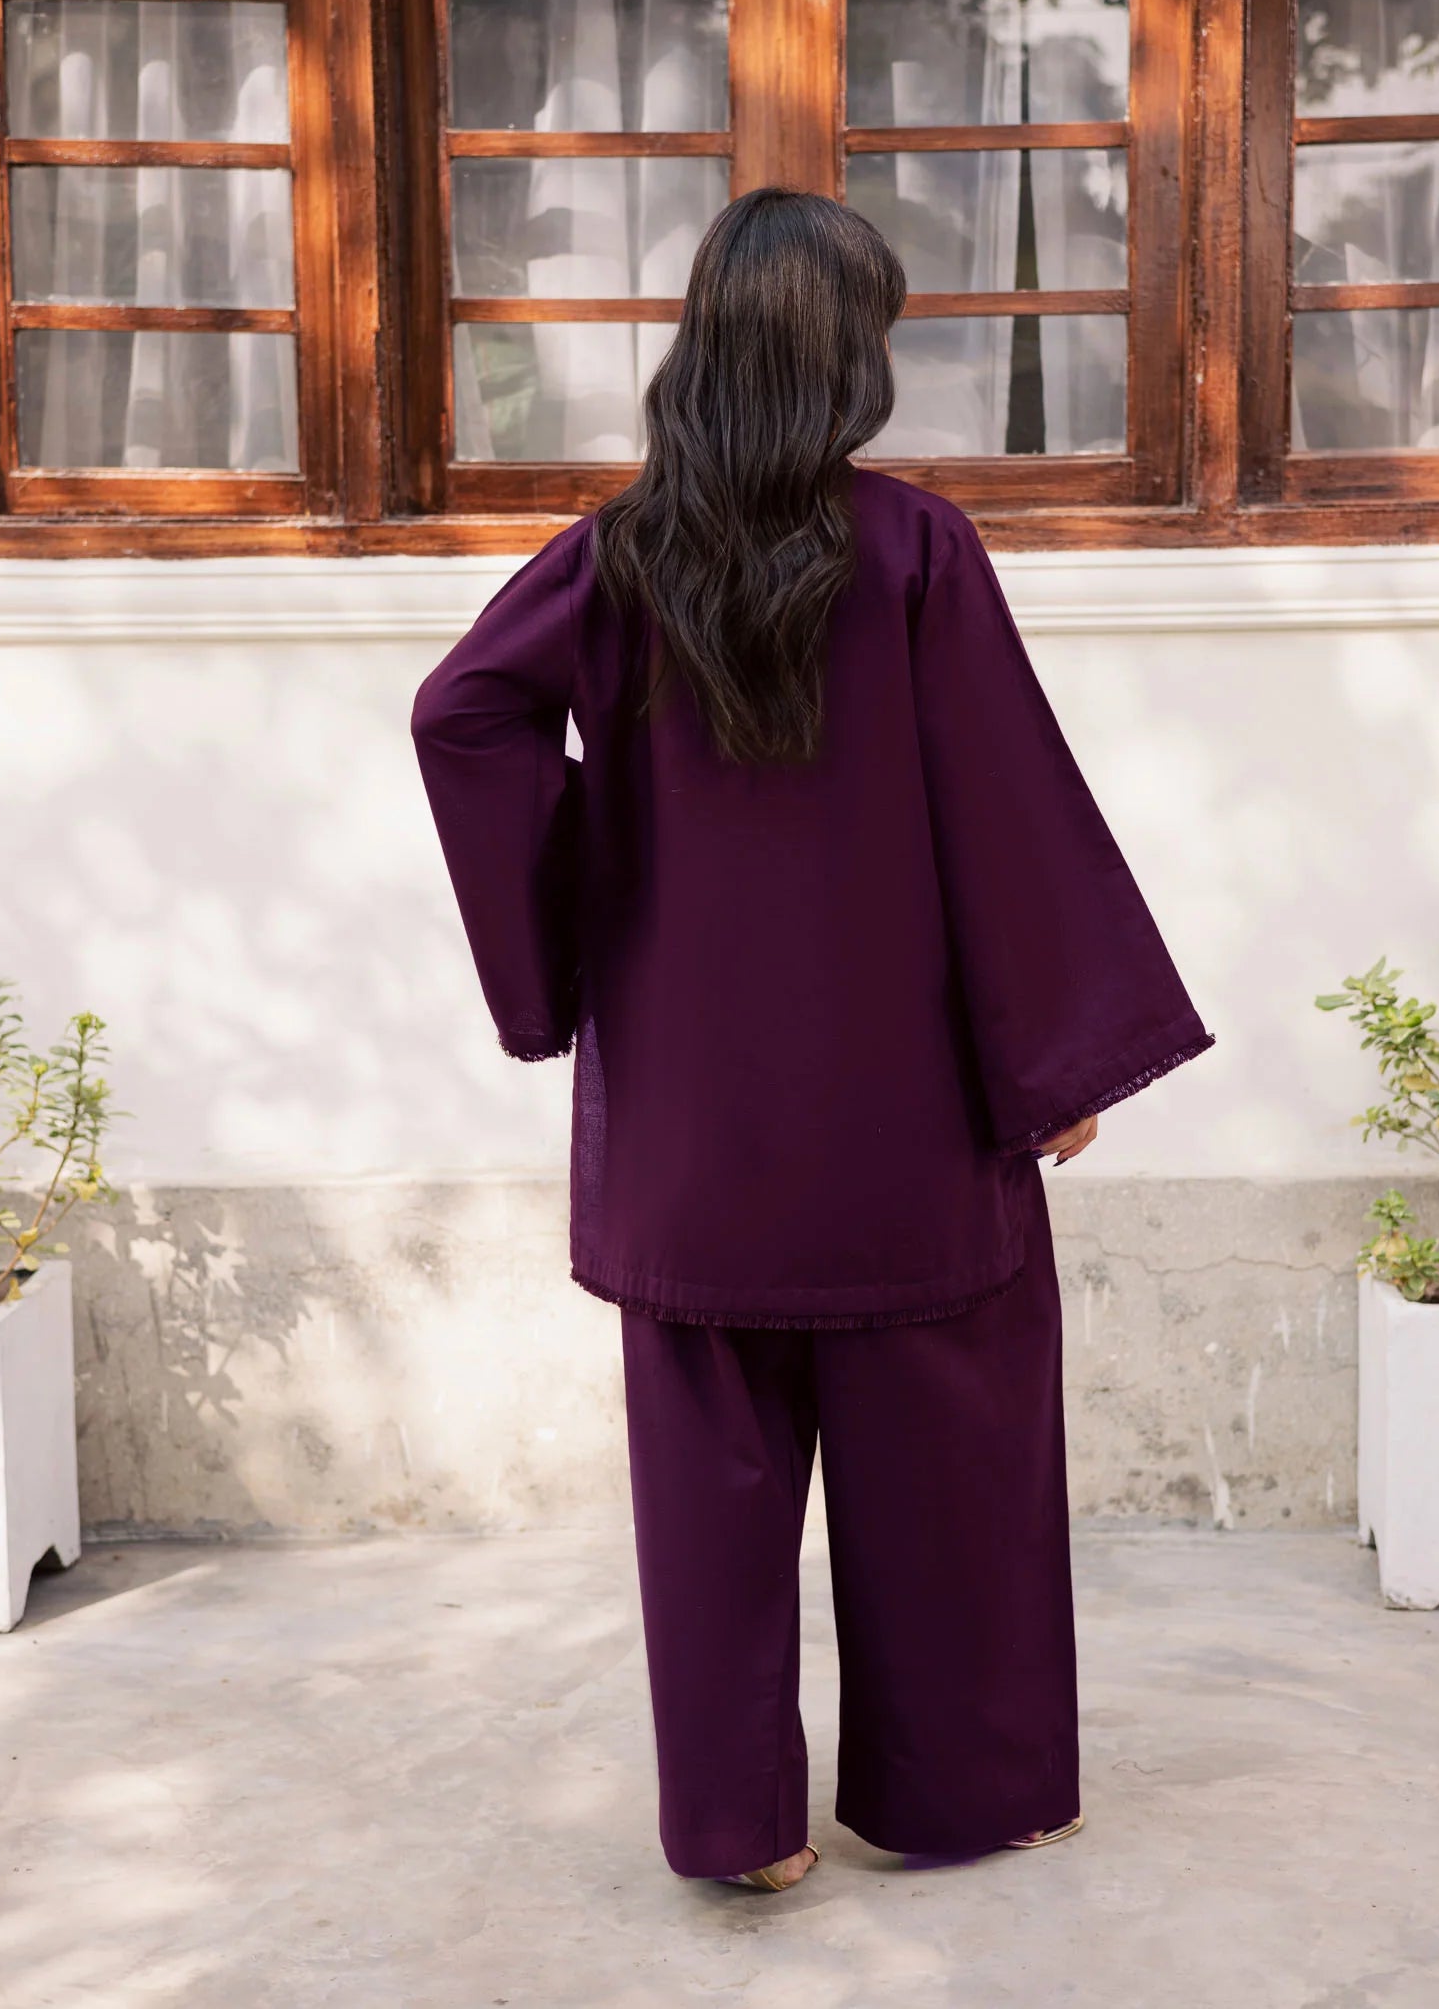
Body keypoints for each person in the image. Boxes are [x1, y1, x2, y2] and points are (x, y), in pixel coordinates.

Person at [412, 188, 1212, 1892]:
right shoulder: (914, 550)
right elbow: (1000, 808)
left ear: (707, 345)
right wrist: (1055, 1065)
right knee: (956, 1464)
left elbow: (461, 713)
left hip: (694, 1137)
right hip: (909, 1126)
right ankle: (969, 1794)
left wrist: (583, 909)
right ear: (848, 359)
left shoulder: (619, 558)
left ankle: (738, 1834)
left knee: (709, 1484)